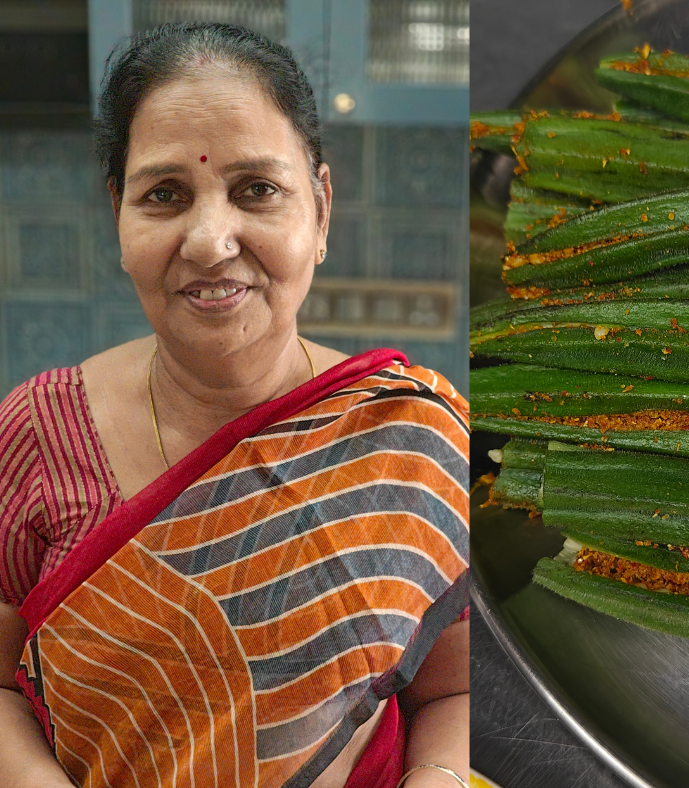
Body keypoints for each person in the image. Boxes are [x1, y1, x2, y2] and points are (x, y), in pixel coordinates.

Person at [0, 22, 469, 788]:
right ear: (119, 212)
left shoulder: (410, 437)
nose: (211, 240)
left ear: (320, 206)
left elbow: (456, 688)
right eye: (165, 195)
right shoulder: (35, 435)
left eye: (256, 189)